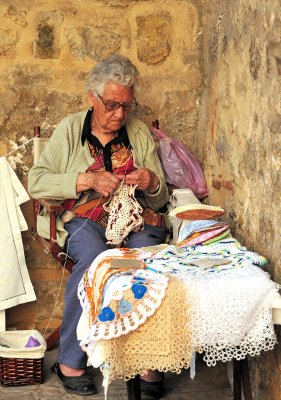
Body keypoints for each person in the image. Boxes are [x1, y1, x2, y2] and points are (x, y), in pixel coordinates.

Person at [28, 54, 169, 398]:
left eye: (126, 105)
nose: (120, 114)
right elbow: (37, 181)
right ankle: (69, 361)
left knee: (147, 264)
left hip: (135, 222)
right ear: (92, 97)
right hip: (85, 221)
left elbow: (160, 197)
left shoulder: (137, 133)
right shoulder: (70, 129)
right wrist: (85, 179)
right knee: (94, 262)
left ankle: (146, 360)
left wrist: (150, 180)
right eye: (111, 105)